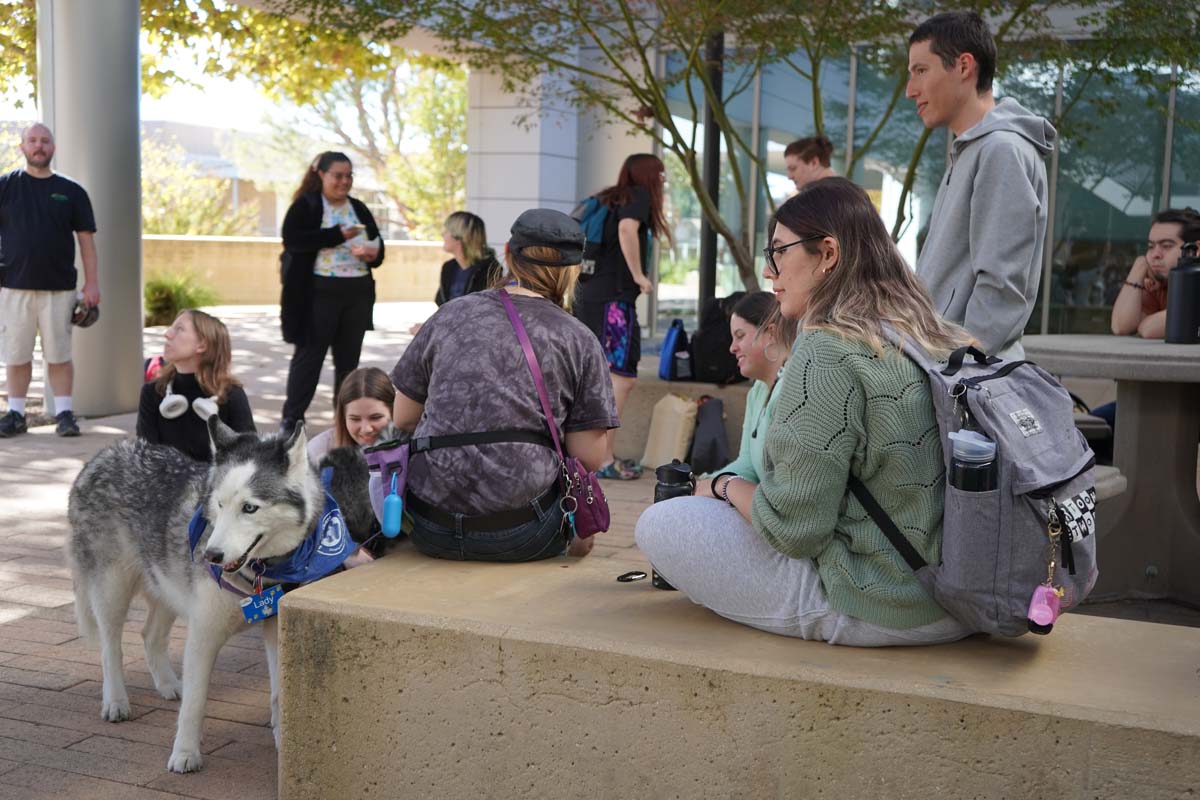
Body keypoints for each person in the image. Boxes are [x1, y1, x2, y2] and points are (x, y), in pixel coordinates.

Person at [636, 177, 974, 647]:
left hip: (880, 604)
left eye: (779, 251)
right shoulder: (934, 336)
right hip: (963, 596)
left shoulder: (829, 349)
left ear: (828, 254)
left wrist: (723, 486)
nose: (769, 270)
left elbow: (792, 530)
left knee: (661, 523)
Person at [390, 209, 618, 562]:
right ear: (573, 270)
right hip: (524, 533)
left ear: (508, 252)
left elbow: (403, 416)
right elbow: (590, 455)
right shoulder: (578, 338)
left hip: (427, 525)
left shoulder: (448, 314)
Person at [906, 11, 1056, 360]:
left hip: (965, 381)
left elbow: (1002, 287)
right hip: (947, 369)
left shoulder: (1000, 150)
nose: (911, 90)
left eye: (921, 70)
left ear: (964, 66)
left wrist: (959, 363)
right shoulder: (972, 150)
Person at [573, 153, 669, 480]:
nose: (663, 182)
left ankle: (587, 455)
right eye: (661, 175)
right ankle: (602, 459)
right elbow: (628, 230)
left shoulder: (607, 199)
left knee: (596, 376)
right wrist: (639, 276)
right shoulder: (637, 197)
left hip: (587, 297)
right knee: (621, 378)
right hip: (614, 302)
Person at [0, 123, 99, 438]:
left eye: (44, 141)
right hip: (13, 285)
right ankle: (16, 414)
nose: (38, 145)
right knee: (17, 354)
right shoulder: (5, 186)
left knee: (59, 354)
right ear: (22, 147)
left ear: (53, 148)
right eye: (32, 140)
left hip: (60, 288)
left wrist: (92, 284)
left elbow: (86, 241)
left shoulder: (72, 191)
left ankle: (64, 413)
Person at [279, 151, 385, 435]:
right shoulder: (307, 205)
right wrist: (338, 235)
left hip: (357, 292)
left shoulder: (359, 208)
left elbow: (378, 245)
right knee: (309, 359)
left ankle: (344, 423)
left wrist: (373, 253)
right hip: (318, 293)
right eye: (338, 175)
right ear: (321, 175)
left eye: (349, 175)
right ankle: (291, 422)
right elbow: (293, 240)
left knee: (348, 364)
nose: (344, 181)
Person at [702, 292, 798, 485]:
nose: (732, 348)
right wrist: (703, 483)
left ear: (771, 334)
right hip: (758, 504)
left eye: (740, 336)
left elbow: (788, 491)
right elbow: (747, 465)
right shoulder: (757, 391)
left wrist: (718, 487)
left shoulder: (793, 392)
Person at [137, 309, 255, 462]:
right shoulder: (152, 392)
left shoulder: (231, 395)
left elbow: (251, 458)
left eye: (179, 329)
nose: (167, 334)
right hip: (165, 484)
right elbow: (144, 460)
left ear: (202, 345)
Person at [1110, 208, 1200, 339]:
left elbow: (1149, 329)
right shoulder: (1158, 283)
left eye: (1167, 246)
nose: (1155, 255)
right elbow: (1121, 326)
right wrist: (1139, 265)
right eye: (1151, 246)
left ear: (1195, 250)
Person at [409, 211, 503, 336]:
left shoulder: (490, 270)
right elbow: (443, 308)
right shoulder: (449, 268)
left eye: (447, 231)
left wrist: (431, 330)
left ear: (459, 237)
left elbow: (479, 317)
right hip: (451, 337)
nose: (443, 234)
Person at [307, 366, 400, 462]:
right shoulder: (317, 453)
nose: (365, 429)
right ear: (343, 417)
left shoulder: (412, 449)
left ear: (393, 412)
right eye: (355, 419)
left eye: (375, 417)